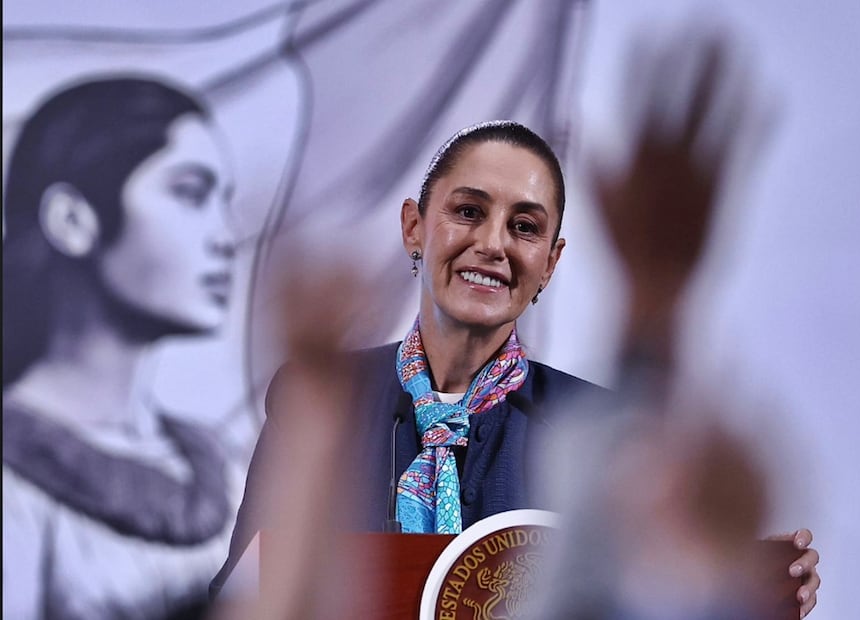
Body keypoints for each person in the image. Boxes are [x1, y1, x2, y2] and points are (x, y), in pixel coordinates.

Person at [212, 120, 820, 615]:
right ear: (414, 228)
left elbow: (636, 600)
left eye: (524, 227)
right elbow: (243, 597)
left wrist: (735, 583)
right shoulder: (322, 400)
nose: (493, 244)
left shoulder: (595, 427)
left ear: (550, 263)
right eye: (468, 211)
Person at [3, 76, 240, 619]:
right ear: (72, 219)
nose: (226, 238)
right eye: (190, 193)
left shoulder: (228, 469)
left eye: (224, 202)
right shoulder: (11, 484)